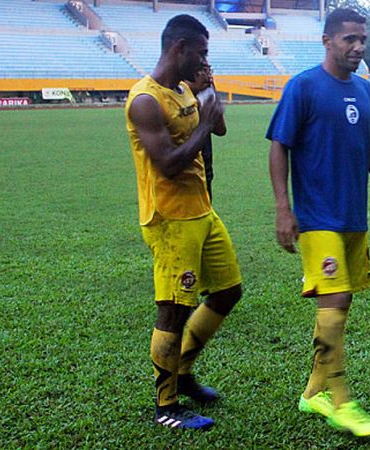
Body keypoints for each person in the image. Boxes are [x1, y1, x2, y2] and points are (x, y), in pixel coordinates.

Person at [266, 8, 370, 437]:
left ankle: (313, 391)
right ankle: (340, 400)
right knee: (331, 306)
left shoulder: (366, 92)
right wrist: (283, 207)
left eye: (362, 40)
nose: (358, 47)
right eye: (350, 39)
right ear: (328, 41)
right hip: (317, 218)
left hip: (354, 215)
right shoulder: (303, 87)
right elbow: (279, 148)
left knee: (343, 302)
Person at [126, 14, 243, 430]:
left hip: (201, 211)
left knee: (228, 291)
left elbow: (221, 129)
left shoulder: (184, 89)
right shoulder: (145, 100)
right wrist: (205, 124)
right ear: (180, 48)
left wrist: (209, 90)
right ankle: (166, 406)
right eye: (201, 52)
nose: (204, 59)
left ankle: (185, 371)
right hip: (170, 218)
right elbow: (169, 165)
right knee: (173, 310)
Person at [186, 63, 226, 200]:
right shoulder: (179, 101)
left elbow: (221, 130)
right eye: (204, 70)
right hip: (186, 175)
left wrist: (212, 95)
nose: (208, 75)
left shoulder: (205, 97)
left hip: (205, 171)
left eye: (210, 70)